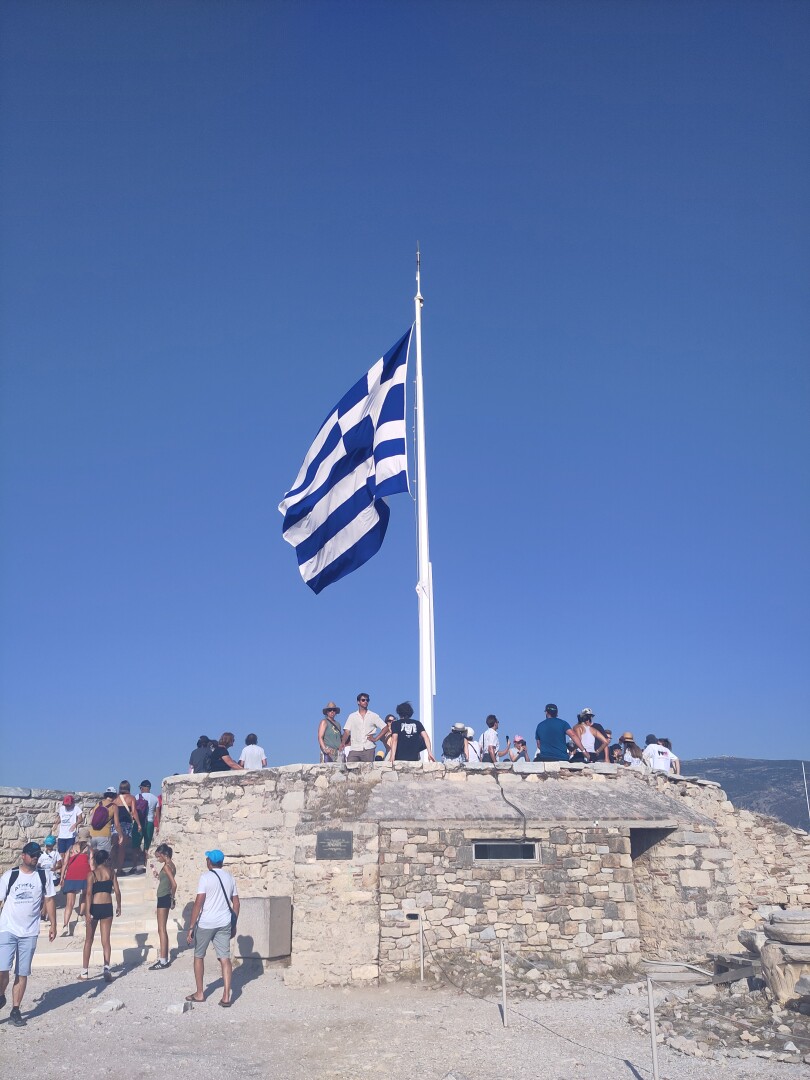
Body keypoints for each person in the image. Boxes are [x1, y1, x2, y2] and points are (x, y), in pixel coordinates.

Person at [0, 841, 57, 1027]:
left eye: (37, 855)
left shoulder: (43, 876)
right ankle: (1, 995)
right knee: (2, 970)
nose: (35, 858)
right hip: (7, 928)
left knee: (22, 972)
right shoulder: (10, 876)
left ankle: (16, 1010)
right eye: (32, 854)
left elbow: (49, 900)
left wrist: (53, 924)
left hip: (30, 931)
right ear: (23, 855)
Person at [185, 849, 240, 1007]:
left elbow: (198, 903)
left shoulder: (205, 877)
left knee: (199, 956)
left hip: (206, 923)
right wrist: (233, 924)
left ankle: (200, 993)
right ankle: (226, 996)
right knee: (225, 958)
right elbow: (236, 903)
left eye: (207, 859)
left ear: (210, 862)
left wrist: (191, 927)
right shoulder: (229, 877)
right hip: (224, 923)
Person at [79, 848, 120, 982]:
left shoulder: (92, 874)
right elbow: (117, 891)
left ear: (96, 860)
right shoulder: (111, 872)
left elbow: (89, 894)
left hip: (95, 907)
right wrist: (119, 906)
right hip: (107, 906)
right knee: (106, 940)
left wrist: (87, 912)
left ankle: (84, 972)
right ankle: (107, 968)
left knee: (88, 940)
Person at [59, 828, 92, 934]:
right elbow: (91, 864)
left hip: (71, 875)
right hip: (84, 874)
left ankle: (65, 925)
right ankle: (80, 915)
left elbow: (64, 863)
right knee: (84, 895)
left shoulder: (71, 848)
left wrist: (62, 877)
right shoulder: (89, 849)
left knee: (69, 903)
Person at [150, 843, 177, 970]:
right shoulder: (171, 866)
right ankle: (164, 958)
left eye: (159, 856)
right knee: (162, 929)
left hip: (164, 897)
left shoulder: (166, 867)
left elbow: (174, 884)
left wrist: (172, 898)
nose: (158, 859)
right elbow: (166, 881)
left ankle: (163, 960)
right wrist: (156, 873)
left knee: (161, 929)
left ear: (164, 855)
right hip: (165, 896)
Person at [339, 693, 382, 763]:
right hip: (355, 748)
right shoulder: (352, 716)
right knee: (349, 767)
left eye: (367, 700)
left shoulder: (373, 715)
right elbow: (347, 731)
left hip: (369, 748)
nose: (365, 702)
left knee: (368, 771)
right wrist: (343, 742)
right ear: (358, 702)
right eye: (363, 700)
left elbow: (385, 727)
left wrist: (376, 738)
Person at [112, 780, 143, 873]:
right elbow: (133, 812)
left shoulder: (115, 799)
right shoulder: (131, 798)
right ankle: (120, 869)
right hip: (126, 825)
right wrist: (138, 824)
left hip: (115, 824)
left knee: (114, 847)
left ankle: (112, 868)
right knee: (122, 848)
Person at [132, 780, 161, 863]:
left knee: (135, 845)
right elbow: (157, 814)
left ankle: (135, 865)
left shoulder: (137, 796)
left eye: (140, 787)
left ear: (143, 787)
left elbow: (133, 811)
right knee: (147, 845)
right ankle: (145, 864)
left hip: (139, 823)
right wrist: (158, 826)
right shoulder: (155, 798)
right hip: (150, 823)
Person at [88, 788, 121, 855]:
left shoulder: (98, 804)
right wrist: (121, 835)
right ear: (115, 795)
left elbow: (90, 821)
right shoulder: (114, 807)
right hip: (104, 835)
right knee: (103, 858)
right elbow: (116, 824)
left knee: (92, 858)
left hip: (92, 835)